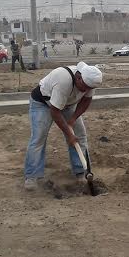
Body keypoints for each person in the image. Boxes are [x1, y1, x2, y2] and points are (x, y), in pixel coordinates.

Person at [23, 61, 104, 190]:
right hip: (43, 103)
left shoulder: (89, 81)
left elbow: (86, 100)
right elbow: (55, 111)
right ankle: (32, 177)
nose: (87, 91)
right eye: (85, 87)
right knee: (39, 138)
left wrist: (73, 120)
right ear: (78, 77)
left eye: (90, 89)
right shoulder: (63, 80)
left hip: (67, 104)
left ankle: (81, 172)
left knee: (79, 136)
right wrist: (68, 133)